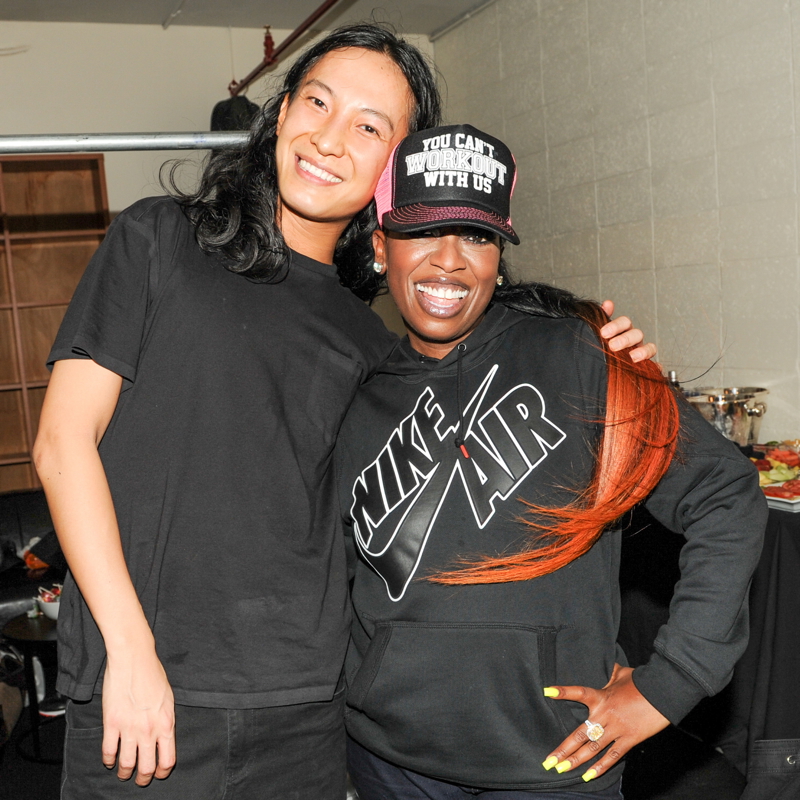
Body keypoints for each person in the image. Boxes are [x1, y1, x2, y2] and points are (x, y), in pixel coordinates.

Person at [32, 25, 650, 799]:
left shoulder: (372, 337)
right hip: (147, 695)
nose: (328, 138)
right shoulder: (157, 240)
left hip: (312, 711)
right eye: (317, 102)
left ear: (397, 172)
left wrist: (604, 354)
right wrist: (130, 653)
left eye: (368, 127)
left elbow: (435, 514)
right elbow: (62, 445)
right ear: (283, 110)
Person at [336, 124, 767, 799]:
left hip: (557, 766)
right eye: (423, 231)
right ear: (380, 245)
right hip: (389, 765)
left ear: (498, 255)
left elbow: (726, 495)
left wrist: (669, 684)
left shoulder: (579, 356)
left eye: (477, 237)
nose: (449, 260)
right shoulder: (355, 392)